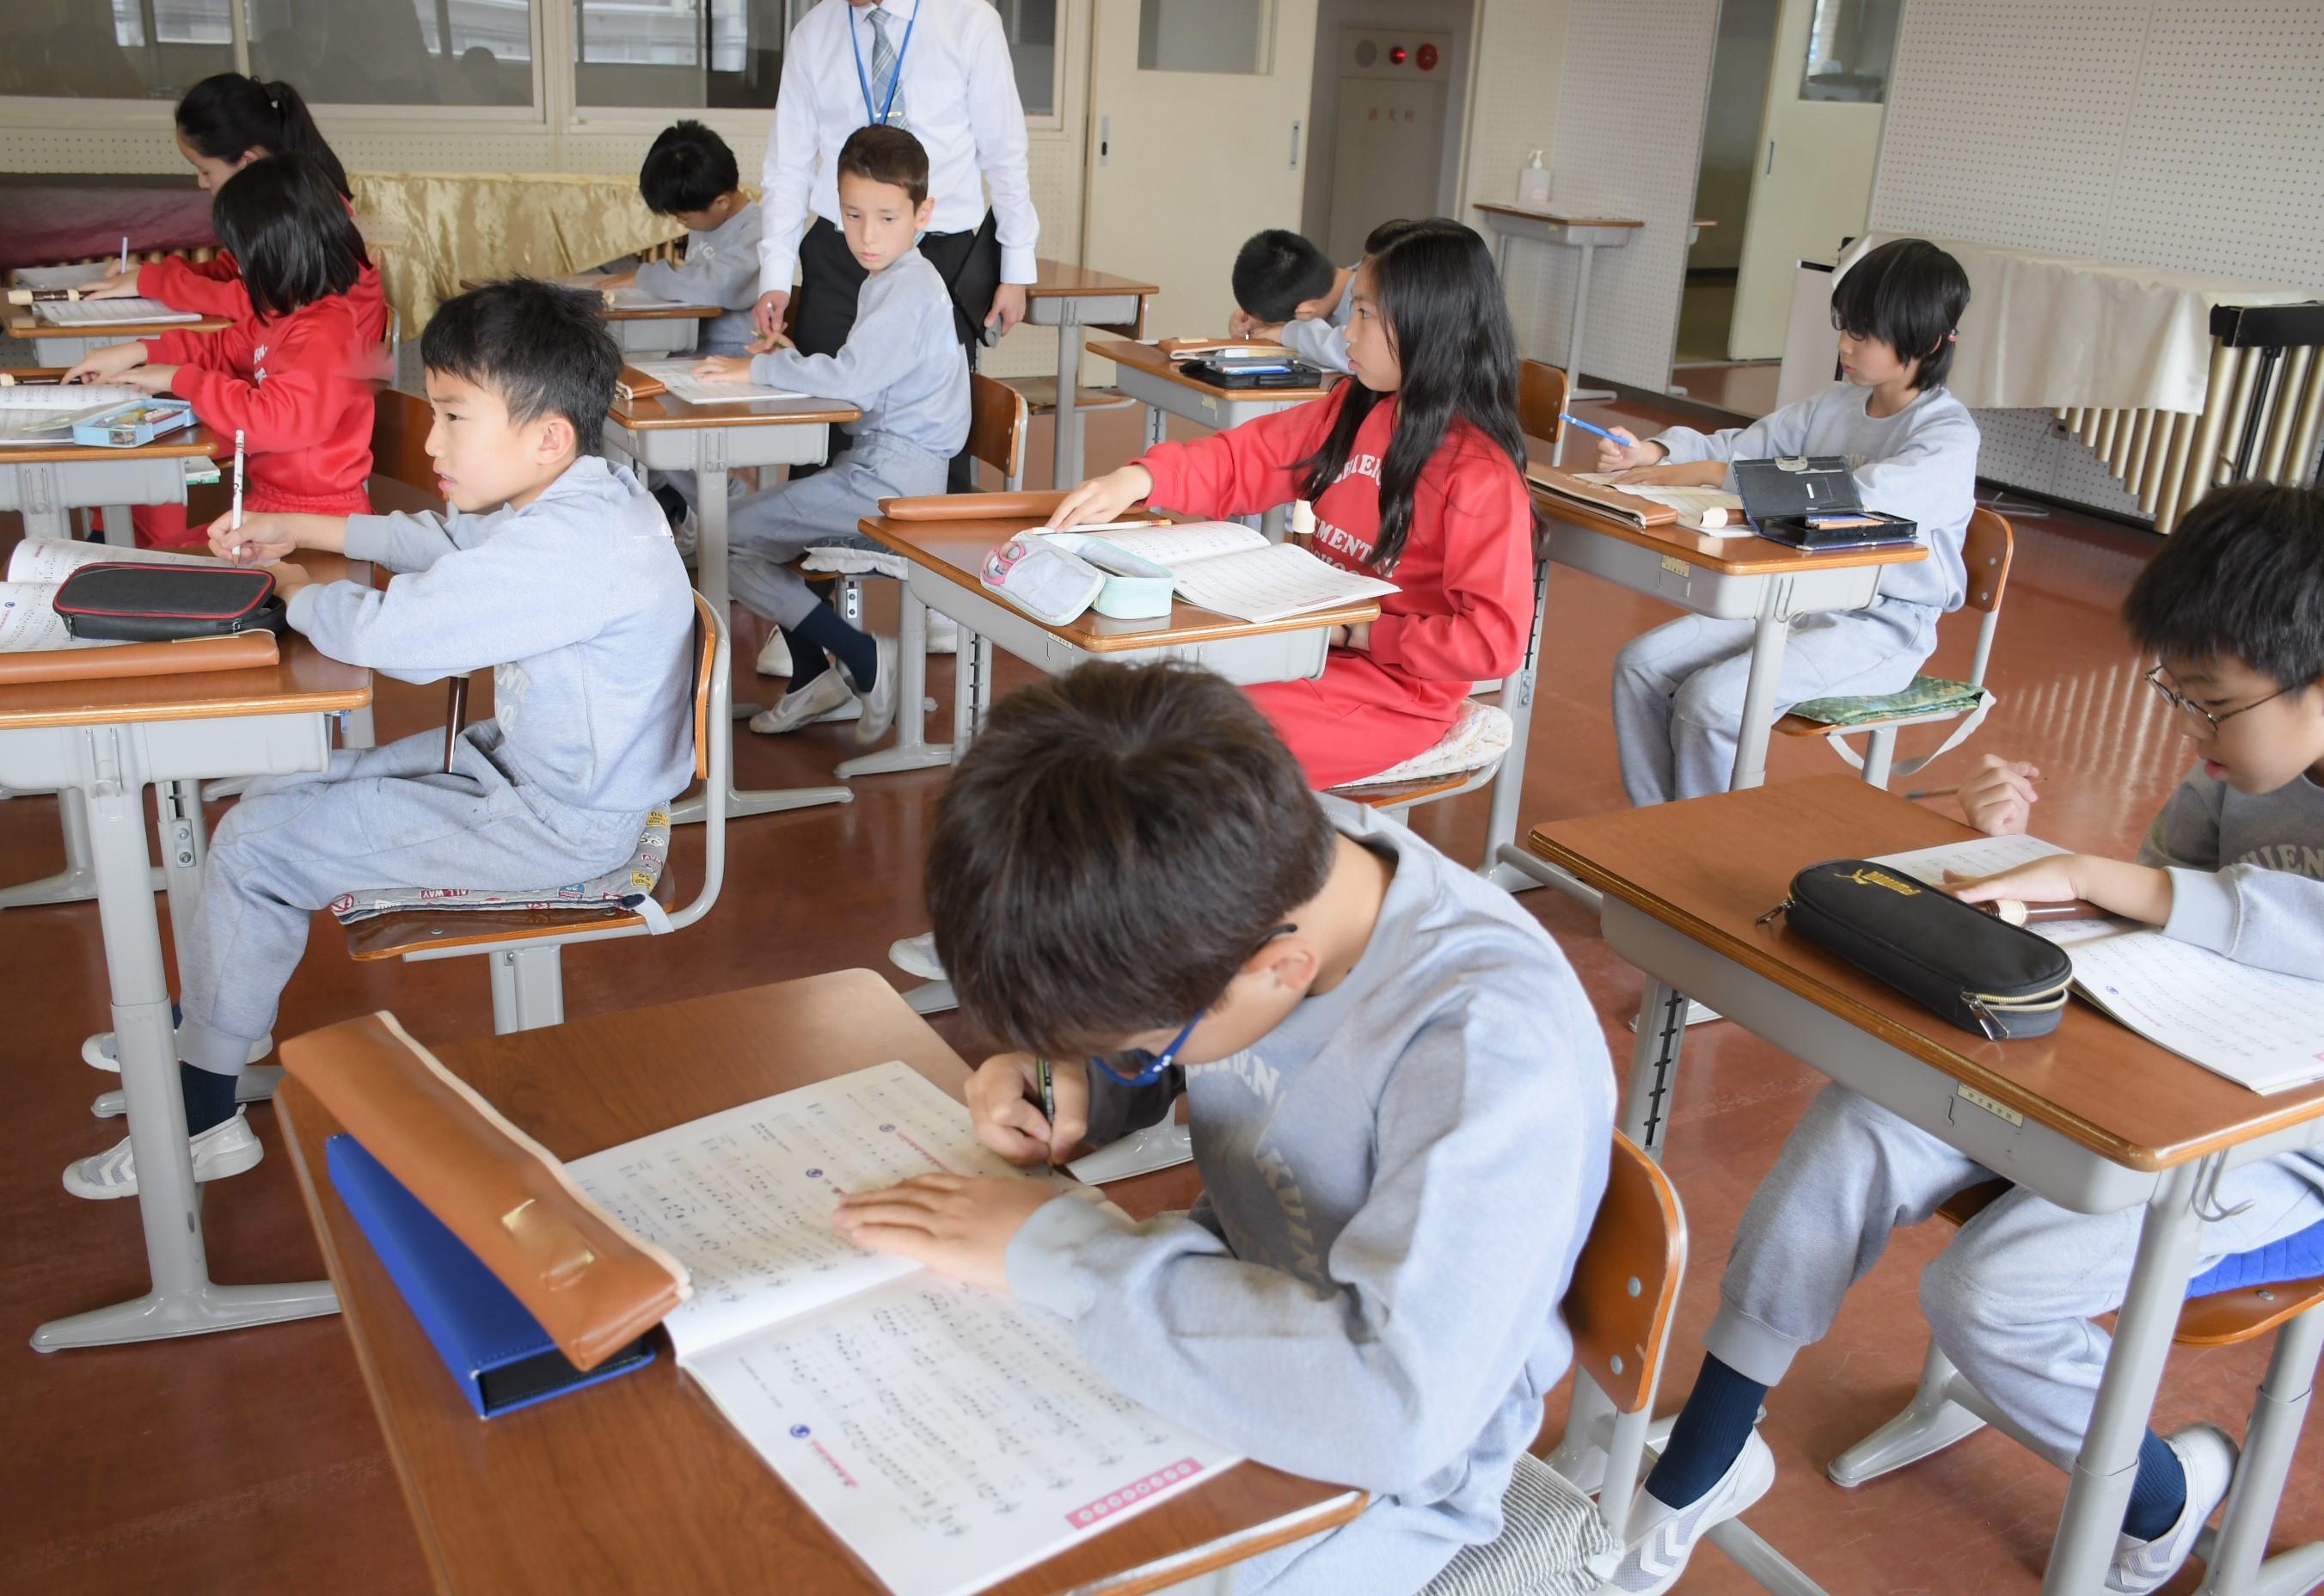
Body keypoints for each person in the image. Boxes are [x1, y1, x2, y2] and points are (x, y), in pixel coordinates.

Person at [1602, 481, 2324, 1596]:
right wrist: (2020, 859)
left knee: (1988, 1292)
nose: (2193, 732)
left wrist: (2109, 883)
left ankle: (2161, 1496)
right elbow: (2157, 893)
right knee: (1859, 1123)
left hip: (2281, 1151)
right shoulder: (2234, 758)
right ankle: (1708, 1449)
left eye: (2214, 706)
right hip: (2153, 1068)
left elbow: (2202, 905)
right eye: (2177, 697)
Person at [831, 659, 1615, 1596]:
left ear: (1279, 969)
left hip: (1379, 1465)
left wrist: (1069, 1256)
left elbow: (1398, 1414)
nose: (1143, 1052)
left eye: (1142, 1042)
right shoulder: (1265, 862)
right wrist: (1078, 1076)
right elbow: (1198, 1021)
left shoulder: (1484, 1049)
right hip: (1223, 1308)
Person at [60, 279, 695, 1199]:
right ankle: (215, 1022)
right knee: (275, 798)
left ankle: (202, 1115)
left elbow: (396, 637)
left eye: (453, 416)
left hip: (563, 824)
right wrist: (295, 526)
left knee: (258, 843)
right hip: (524, 772)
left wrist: (293, 589)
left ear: (547, 436)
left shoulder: (570, 547)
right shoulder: (583, 495)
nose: (431, 442)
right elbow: (446, 543)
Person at [1045, 220, 1538, 789]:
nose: (1347, 333)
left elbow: (1493, 641)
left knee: (1177, 750)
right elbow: (1249, 457)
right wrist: (1138, 480)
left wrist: (1366, 635)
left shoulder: (1479, 474)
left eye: (1365, 315)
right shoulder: (1355, 408)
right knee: (1130, 704)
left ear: (1428, 325)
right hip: (1305, 649)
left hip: (1390, 696)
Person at [1597, 237, 1978, 804]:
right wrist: (1654, 452)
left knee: (1711, 703)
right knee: (1639, 666)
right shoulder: (1835, 403)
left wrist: (1714, 472)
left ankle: (1695, 843)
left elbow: (1849, 498)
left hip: (1879, 626)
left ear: (1924, 340)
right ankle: (1654, 826)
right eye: (1844, 328)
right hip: (1792, 601)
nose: (1844, 345)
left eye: (1863, 334)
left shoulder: (1946, 437)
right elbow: (1743, 447)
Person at [695, 124, 966, 743]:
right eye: (852, 215)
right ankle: (818, 675)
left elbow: (852, 387)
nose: (867, 235)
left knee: (722, 537)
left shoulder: (907, 287)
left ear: (923, 214)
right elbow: (862, 380)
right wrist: (788, 360)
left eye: (887, 218)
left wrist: (756, 370)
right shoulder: (892, 278)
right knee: (733, 532)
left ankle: (863, 659)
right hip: (881, 468)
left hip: (893, 484)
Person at [750, 0, 1035, 490]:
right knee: (823, 417)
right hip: (841, 252)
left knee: (932, 423)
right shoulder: (814, 32)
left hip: (943, 256)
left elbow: (1005, 153)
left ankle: (929, 540)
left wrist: (1016, 268)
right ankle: (811, 534)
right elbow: (787, 167)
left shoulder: (969, 20)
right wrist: (775, 276)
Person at [65, 154, 377, 549]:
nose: (241, 272)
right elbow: (220, 349)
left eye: (245, 260)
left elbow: (275, 423)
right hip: (276, 508)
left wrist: (180, 378)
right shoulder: (281, 316)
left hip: (319, 525)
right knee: (161, 558)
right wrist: (140, 351)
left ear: (280, 251)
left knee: (162, 566)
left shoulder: (325, 334)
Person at [81, 73, 388, 350]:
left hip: (326, 371)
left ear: (247, 161)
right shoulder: (274, 201)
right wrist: (152, 276)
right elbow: (231, 273)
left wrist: (155, 283)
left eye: (204, 170)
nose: (201, 183)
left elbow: (259, 301)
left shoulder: (300, 213)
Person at [601, 119, 765, 536]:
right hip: (695, 352)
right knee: (619, 405)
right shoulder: (709, 222)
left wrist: (643, 276)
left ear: (722, 201)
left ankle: (724, 506)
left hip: (735, 357)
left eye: (684, 216)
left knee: (651, 424)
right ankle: (681, 505)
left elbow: (717, 288)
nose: (681, 223)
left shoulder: (757, 231)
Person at [1228, 218, 1444, 377]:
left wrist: (1287, 332)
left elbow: (1354, 348)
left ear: (1305, 312)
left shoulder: (1379, 289)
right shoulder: (1330, 284)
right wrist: (1257, 326)